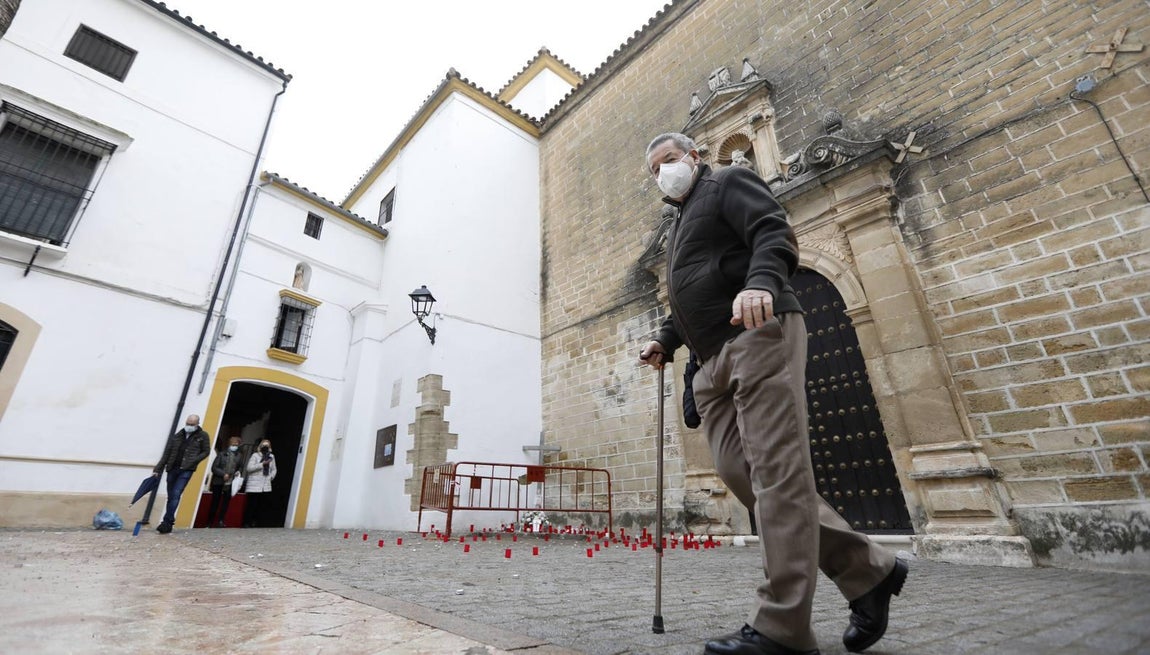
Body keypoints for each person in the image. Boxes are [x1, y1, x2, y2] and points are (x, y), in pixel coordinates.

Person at [638, 133, 907, 655]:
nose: (662, 174)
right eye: (654, 171)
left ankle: (781, 627)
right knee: (743, 475)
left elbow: (772, 231)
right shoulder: (679, 225)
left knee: (776, 475)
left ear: (694, 156)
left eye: (668, 161)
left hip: (756, 333)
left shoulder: (726, 181)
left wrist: (761, 281)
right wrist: (665, 338)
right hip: (708, 360)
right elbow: (692, 288)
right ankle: (870, 569)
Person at [151, 414, 211, 534]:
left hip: (186, 470)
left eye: (192, 424)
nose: (189, 426)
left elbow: (206, 451)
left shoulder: (202, 436)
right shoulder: (178, 435)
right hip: (172, 468)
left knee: (176, 493)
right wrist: (158, 468)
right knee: (171, 496)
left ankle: (166, 523)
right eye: (188, 423)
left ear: (197, 424)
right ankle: (169, 520)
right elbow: (167, 452)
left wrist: (193, 461)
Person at [206, 436, 244, 528]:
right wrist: (223, 474)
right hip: (219, 481)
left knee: (225, 503)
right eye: (232, 444)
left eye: (236, 444)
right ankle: (209, 522)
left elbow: (240, 467)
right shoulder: (222, 454)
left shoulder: (239, 456)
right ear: (229, 444)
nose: (234, 445)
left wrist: (237, 472)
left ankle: (221, 521)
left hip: (230, 482)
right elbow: (214, 467)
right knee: (215, 501)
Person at [243, 439, 276, 528]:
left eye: (267, 446)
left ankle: (256, 522)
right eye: (264, 446)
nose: (265, 448)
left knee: (261, 505)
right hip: (254, 484)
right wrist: (262, 464)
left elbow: (274, 469)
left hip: (265, 484)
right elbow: (249, 468)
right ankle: (247, 522)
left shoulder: (271, 457)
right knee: (251, 505)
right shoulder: (255, 455)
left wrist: (271, 477)